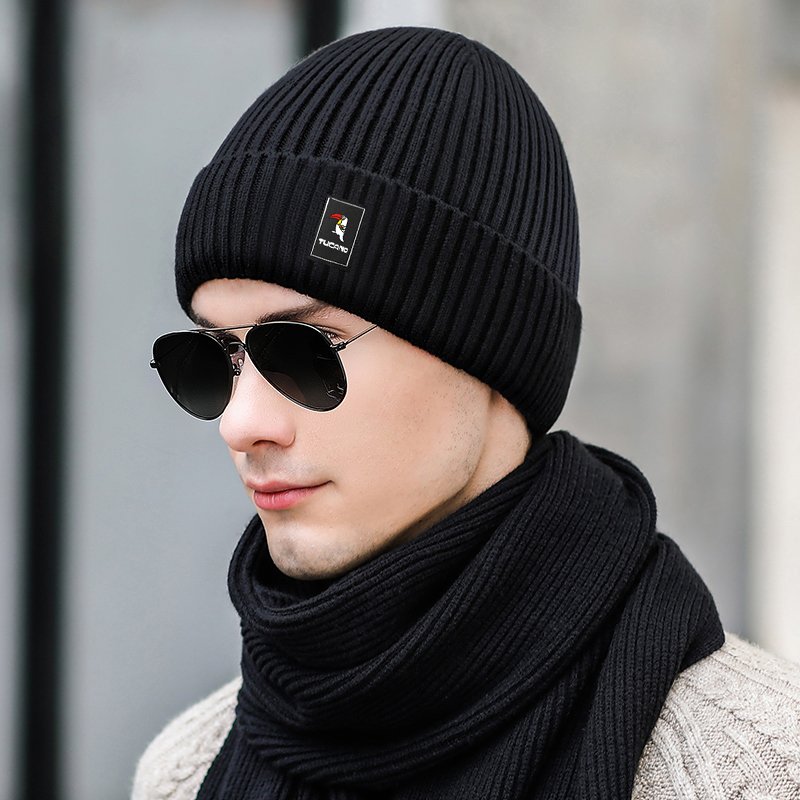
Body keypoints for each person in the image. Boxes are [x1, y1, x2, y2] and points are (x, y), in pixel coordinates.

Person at [134, 26, 800, 800]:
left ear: (486, 350)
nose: (240, 423)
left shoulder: (748, 769)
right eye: (214, 358)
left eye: (305, 352)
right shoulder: (188, 774)